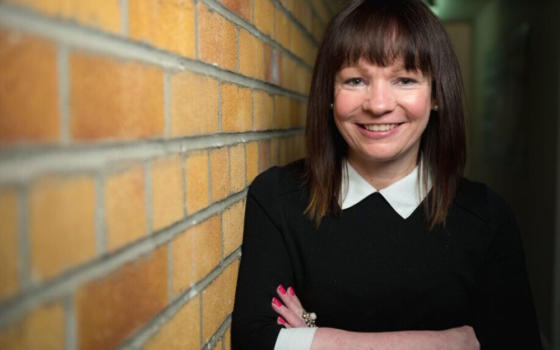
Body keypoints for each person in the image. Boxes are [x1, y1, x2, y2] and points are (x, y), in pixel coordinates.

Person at [231, 0, 542, 349]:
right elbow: (254, 341)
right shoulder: (277, 198)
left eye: (405, 79)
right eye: (356, 80)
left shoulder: (487, 217)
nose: (378, 104)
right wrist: (450, 343)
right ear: (330, 95)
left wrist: (310, 337)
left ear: (436, 94)